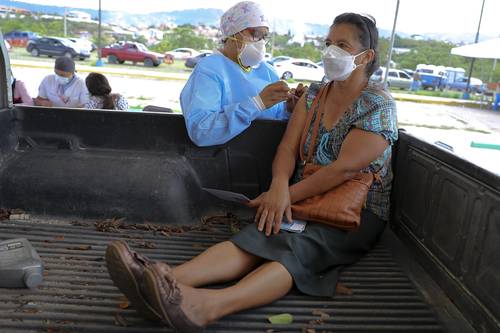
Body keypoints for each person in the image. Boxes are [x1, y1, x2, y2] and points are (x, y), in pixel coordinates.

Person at [105, 12, 398, 333]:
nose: (331, 51)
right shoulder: (315, 95)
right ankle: (164, 281)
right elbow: (287, 149)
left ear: (366, 56)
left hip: (354, 211)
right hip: (300, 197)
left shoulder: (377, 104)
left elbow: (344, 170)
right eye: (329, 43)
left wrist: (284, 196)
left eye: (342, 45)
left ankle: (204, 307)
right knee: (256, 237)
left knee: (297, 250)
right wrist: (277, 187)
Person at [180, 1, 305, 147]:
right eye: (256, 34)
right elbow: (201, 132)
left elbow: (275, 123)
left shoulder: (267, 71)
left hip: (260, 157)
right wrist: (256, 104)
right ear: (233, 32)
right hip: (221, 160)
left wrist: (289, 110)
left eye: (264, 37)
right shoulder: (210, 70)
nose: (261, 43)